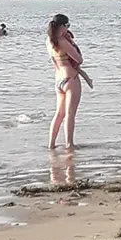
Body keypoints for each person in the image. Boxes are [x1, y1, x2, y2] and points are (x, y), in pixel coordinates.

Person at [45, 14, 83, 149]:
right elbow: (79, 59)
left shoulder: (49, 41)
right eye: (67, 26)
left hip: (58, 79)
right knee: (70, 114)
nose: (68, 29)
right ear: (61, 27)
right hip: (70, 79)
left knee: (59, 114)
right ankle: (69, 144)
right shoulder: (63, 42)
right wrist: (73, 43)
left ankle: (51, 144)